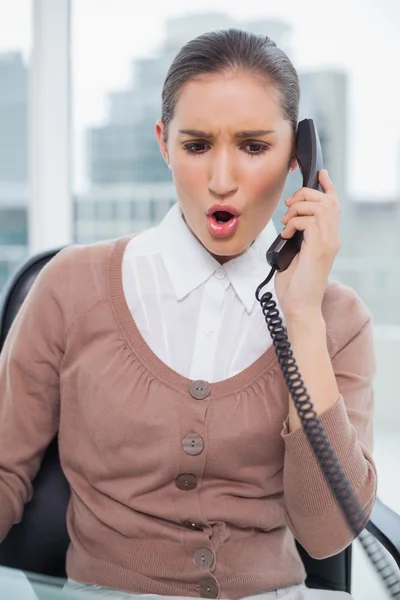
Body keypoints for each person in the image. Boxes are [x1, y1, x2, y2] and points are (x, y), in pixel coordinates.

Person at [0, 28, 377, 600]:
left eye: (254, 147)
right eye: (197, 145)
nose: (221, 181)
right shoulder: (70, 287)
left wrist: (301, 318)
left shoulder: (337, 318)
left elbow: (328, 534)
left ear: (299, 159)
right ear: (163, 143)